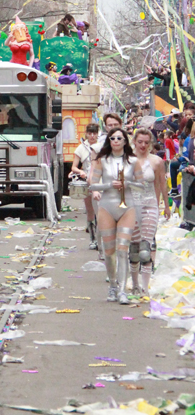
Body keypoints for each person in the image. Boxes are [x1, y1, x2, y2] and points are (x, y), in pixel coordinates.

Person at [89, 127, 142, 305]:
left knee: (123, 249)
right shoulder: (101, 160)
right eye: (113, 138)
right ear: (109, 141)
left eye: (120, 138)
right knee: (109, 250)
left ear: (126, 141)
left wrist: (127, 183)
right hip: (106, 207)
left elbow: (142, 185)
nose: (116, 141)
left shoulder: (133, 161)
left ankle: (122, 290)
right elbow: (93, 186)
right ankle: (112, 285)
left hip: (128, 207)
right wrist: (109, 185)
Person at [130, 127, 170, 297]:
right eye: (140, 142)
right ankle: (135, 284)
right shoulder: (126, 160)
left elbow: (162, 184)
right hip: (131, 207)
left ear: (151, 144)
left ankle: (145, 287)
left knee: (146, 246)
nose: (143, 145)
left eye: (146, 142)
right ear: (134, 142)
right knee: (134, 247)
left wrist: (166, 206)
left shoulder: (156, 162)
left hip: (150, 205)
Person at [71, 123, 100, 248]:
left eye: (94, 133)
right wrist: (80, 172)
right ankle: (93, 238)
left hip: (100, 180)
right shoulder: (81, 148)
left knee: (101, 211)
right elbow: (74, 166)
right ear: (86, 134)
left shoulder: (102, 146)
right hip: (87, 181)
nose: (92, 136)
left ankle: (101, 238)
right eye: (90, 133)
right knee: (90, 211)